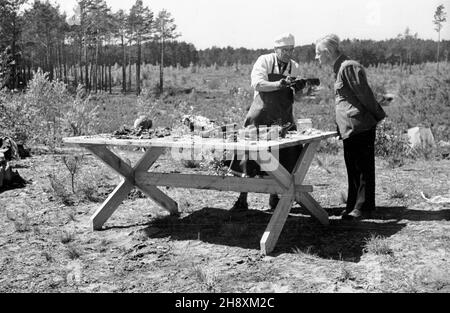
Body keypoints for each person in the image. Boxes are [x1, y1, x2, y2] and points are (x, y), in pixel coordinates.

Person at [230, 33, 305, 212]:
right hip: (261, 114)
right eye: (284, 50)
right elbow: (257, 84)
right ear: (275, 49)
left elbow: (298, 97)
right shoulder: (264, 61)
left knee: (281, 156)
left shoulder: (294, 66)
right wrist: (279, 84)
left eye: (291, 50)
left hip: (283, 117)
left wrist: (300, 89)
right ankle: (242, 198)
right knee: (249, 155)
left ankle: (274, 197)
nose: (288, 53)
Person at [315, 34, 386, 220]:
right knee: (353, 169)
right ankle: (353, 205)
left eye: (318, 53)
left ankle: (363, 207)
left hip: (359, 126)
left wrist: (377, 116)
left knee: (362, 169)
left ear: (328, 52)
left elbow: (365, 95)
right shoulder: (339, 68)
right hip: (350, 128)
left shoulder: (348, 67)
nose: (316, 57)